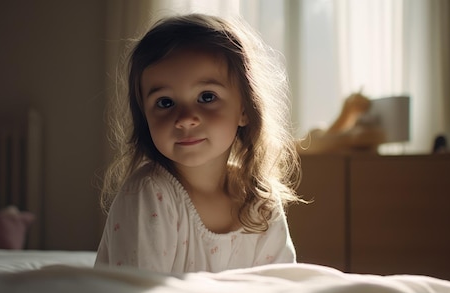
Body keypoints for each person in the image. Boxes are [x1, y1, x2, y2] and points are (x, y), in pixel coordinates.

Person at [95, 13, 302, 273]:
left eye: (206, 97)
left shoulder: (260, 201)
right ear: (145, 118)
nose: (185, 119)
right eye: (165, 102)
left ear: (245, 110)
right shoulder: (149, 194)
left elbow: (281, 287)